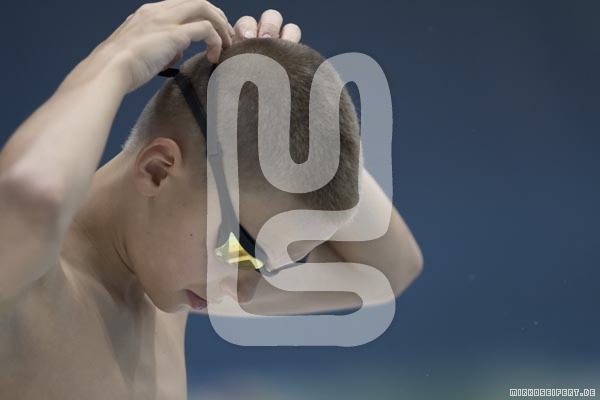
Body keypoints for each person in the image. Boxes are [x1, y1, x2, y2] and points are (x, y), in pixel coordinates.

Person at [0, 1, 423, 398]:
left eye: (269, 265)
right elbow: (34, 195)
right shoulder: (26, 290)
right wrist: (116, 60)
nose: (244, 292)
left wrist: (292, 114)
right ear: (158, 170)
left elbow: (385, 271)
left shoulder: (164, 286)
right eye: (239, 249)